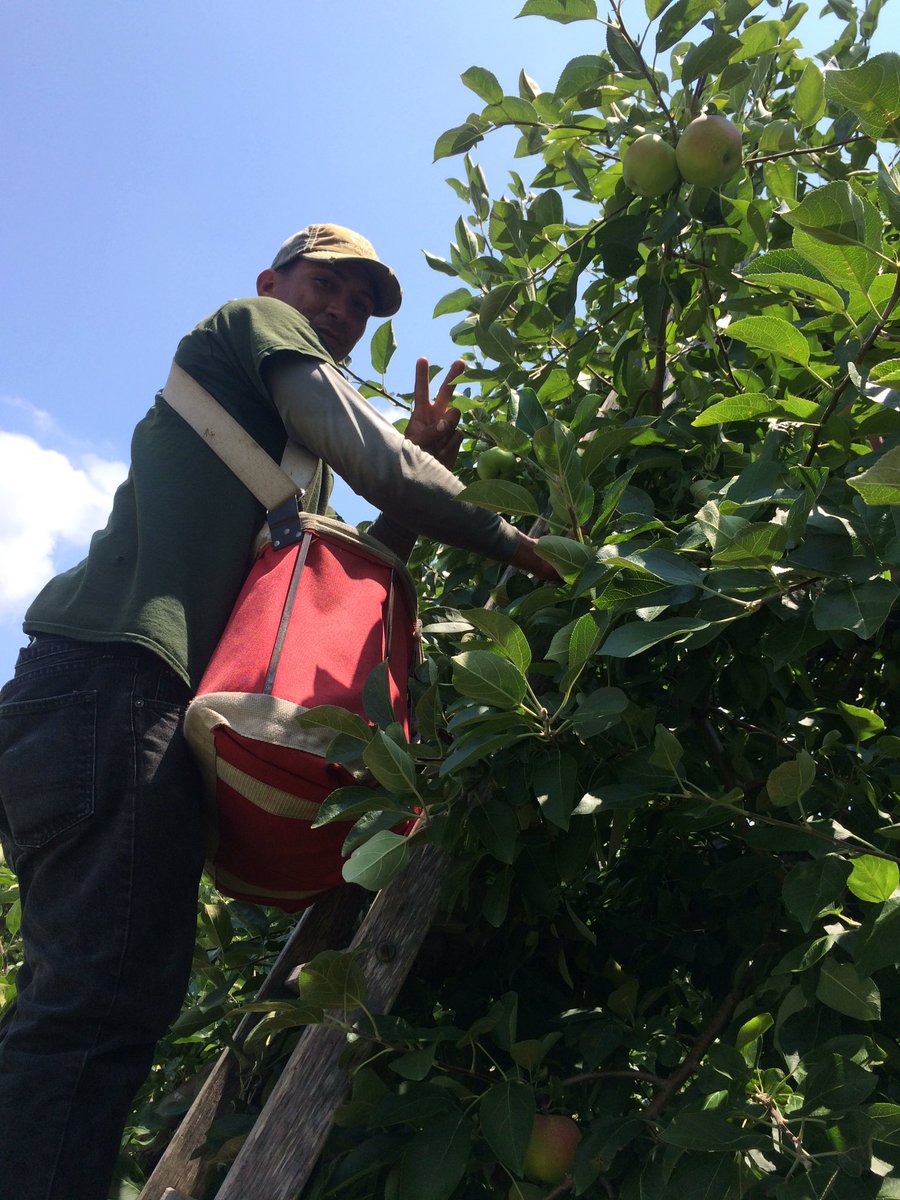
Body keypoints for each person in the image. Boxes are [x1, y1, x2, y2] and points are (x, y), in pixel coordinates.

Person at [0, 222, 556, 1200]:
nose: (342, 313)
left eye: (360, 303)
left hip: (93, 703)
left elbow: (331, 583)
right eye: (329, 287)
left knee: (85, 1004)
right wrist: (518, 541)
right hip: (114, 689)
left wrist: (407, 491)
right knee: (95, 1011)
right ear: (274, 283)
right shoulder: (249, 328)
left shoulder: (282, 461)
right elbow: (379, 461)